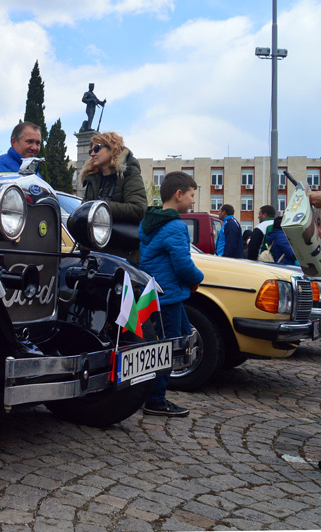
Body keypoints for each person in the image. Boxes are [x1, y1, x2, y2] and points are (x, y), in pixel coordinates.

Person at [138, 171, 204, 417]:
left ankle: (152, 390)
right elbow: (183, 264)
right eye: (191, 195)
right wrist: (198, 279)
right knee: (169, 349)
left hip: (158, 294)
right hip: (168, 296)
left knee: (182, 339)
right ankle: (155, 400)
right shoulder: (175, 225)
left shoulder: (150, 221)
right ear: (178, 195)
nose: (193, 201)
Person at [79, 131, 147, 262]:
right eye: (90, 151)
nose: (92, 153)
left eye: (97, 148)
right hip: (94, 255)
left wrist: (100, 207)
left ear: (112, 148)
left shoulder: (129, 173)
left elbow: (139, 209)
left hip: (121, 257)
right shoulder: (92, 178)